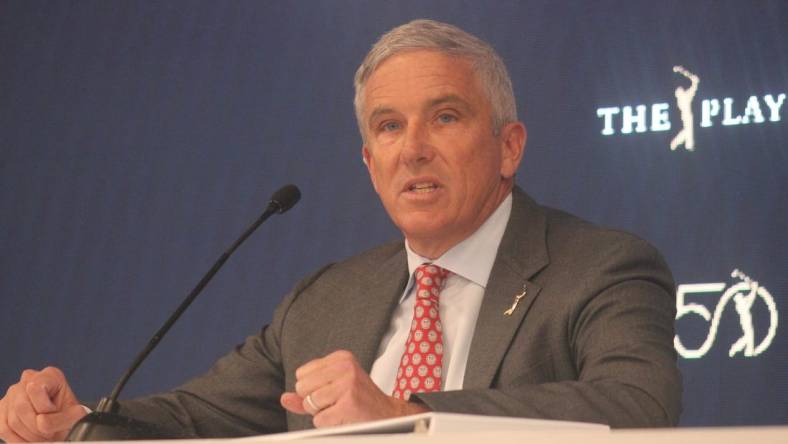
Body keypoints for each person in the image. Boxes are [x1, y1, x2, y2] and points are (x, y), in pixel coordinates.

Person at [0, 19, 681, 442]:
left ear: (509, 146)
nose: (412, 148)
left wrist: (404, 411)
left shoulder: (601, 268)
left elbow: (639, 407)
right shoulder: (325, 300)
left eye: (445, 117)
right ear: (369, 161)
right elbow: (191, 418)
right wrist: (80, 426)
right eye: (389, 127)